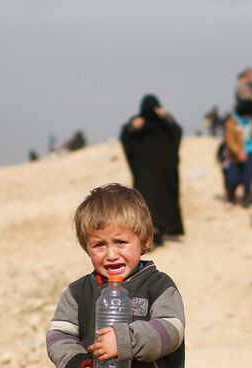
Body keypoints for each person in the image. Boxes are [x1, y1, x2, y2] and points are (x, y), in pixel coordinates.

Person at [46, 183, 185, 367]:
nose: (111, 255)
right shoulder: (78, 293)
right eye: (99, 245)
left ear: (145, 240)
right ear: (86, 247)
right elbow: (59, 334)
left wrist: (124, 341)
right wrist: (76, 360)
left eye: (120, 242)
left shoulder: (158, 286)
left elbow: (172, 330)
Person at [120, 95, 184, 245]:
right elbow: (126, 138)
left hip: (164, 174)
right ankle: (151, 232)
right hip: (145, 174)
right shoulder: (137, 125)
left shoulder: (165, 124)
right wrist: (132, 127)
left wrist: (167, 117)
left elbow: (177, 133)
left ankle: (168, 229)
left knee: (166, 200)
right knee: (146, 201)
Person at [224, 101, 252, 207]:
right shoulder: (231, 123)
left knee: (248, 178)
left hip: (251, 152)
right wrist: (239, 152)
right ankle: (230, 197)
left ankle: (246, 199)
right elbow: (229, 141)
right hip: (235, 155)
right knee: (232, 178)